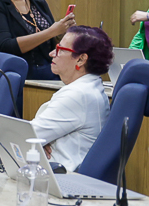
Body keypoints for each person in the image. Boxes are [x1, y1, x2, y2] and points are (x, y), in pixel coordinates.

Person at [30, 26, 113, 172]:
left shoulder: (78, 94)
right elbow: (33, 135)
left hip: (59, 177)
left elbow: (26, 137)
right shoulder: (89, 87)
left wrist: (36, 143)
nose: (51, 53)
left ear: (81, 59)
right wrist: (39, 142)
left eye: (60, 49)